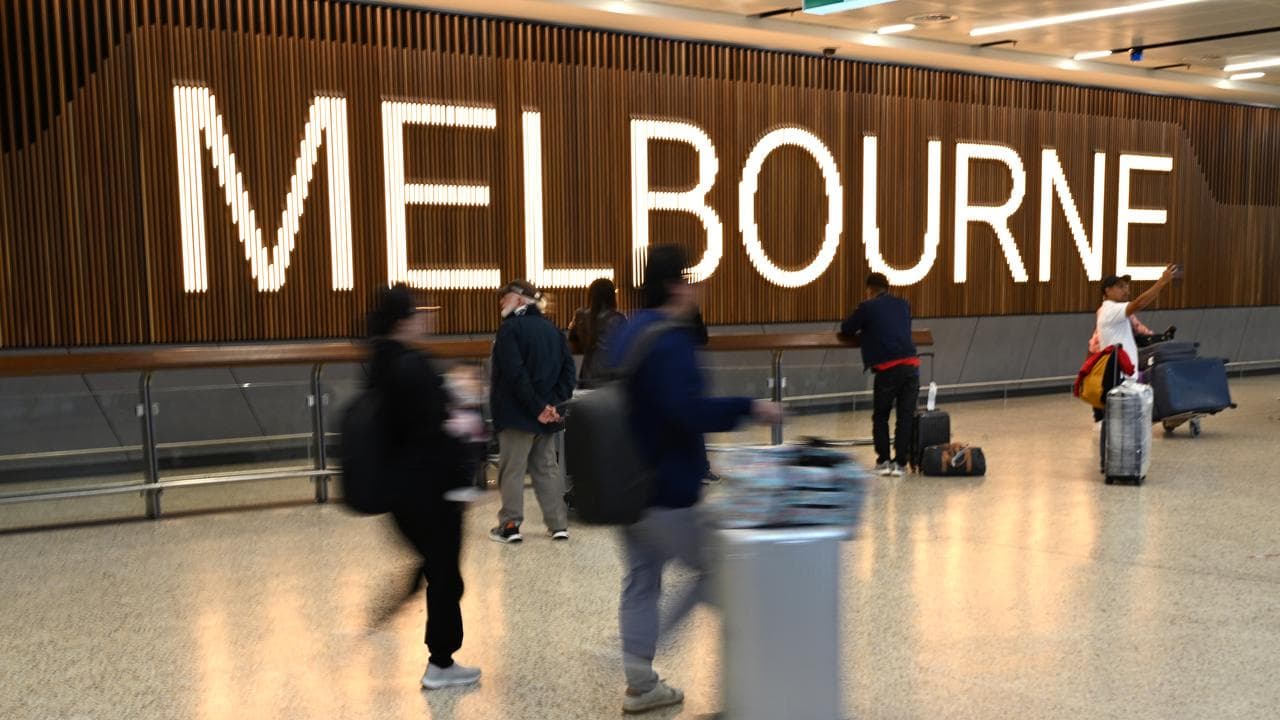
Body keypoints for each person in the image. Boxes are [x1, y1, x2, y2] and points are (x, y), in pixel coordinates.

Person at [611, 244, 782, 715]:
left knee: (642, 578)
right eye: (691, 280)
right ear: (675, 285)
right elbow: (687, 411)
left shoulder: (629, 332)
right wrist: (751, 407)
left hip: (625, 483)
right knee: (720, 571)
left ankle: (641, 684)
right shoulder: (671, 341)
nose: (698, 289)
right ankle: (741, 695)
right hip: (667, 488)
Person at [366, 285, 481, 690]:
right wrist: (462, 485)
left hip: (401, 491)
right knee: (447, 577)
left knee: (439, 569)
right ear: (403, 321)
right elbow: (439, 430)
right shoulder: (413, 367)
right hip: (431, 491)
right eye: (418, 313)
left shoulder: (380, 363)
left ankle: (438, 648)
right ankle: (441, 663)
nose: (426, 318)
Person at [489, 279, 577, 544]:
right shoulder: (553, 330)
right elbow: (568, 372)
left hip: (517, 416)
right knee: (546, 469)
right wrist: (554, 406)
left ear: (519, 299)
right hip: (547, 417)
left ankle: (510, 525)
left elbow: (515, 374)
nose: (501, 302)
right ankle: (558, 524)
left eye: (505, 297)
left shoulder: (509, 330)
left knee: (512, 471)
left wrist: (538, 408)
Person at [840, 272, 920, 477]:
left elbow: (847, 329)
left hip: (888, 369)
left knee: (881, 416)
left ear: (869, 290)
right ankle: (900, 463)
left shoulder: (868, 307)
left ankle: (884, 461)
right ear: (887, 288)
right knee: (905, 417)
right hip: (911, 367)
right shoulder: (903, 304)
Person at [1092, 266, 1179, 420]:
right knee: (1124, 424)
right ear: (1107, 291)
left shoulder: (1113, 311)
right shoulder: (1111, 309)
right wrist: (1162, 282)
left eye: (1127, 286)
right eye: (1120, 287)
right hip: (1120, 379)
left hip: (1123, 378)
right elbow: (1139, 303)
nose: (1126, 290)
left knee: (1127, 423)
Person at [568, 278, 627, 389]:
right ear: (611, 296)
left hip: (587, 380)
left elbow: (573, 349)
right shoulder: (618, 319)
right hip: (610, 381)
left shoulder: (580, 316)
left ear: (591, 295)